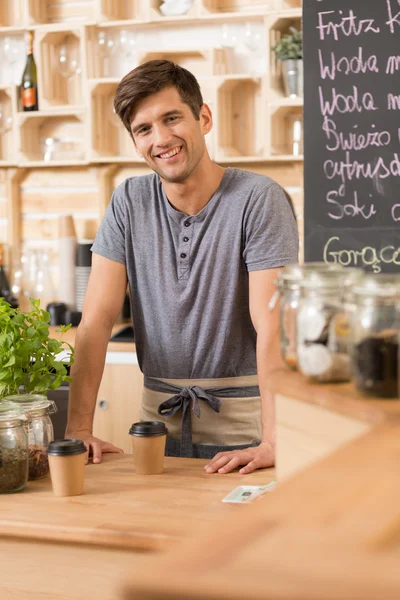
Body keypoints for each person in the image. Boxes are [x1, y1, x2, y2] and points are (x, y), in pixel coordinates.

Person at [66, 60, 299, 474]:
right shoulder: (129, 202)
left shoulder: (259, 199)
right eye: (144, 129)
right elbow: (96, 321)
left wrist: (275, 440)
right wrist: (77, 429)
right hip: (156, 430)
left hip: (245, 430)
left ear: (203, 118)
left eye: (172, 118)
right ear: (135, 142)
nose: (162, 139)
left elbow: (272, 328)